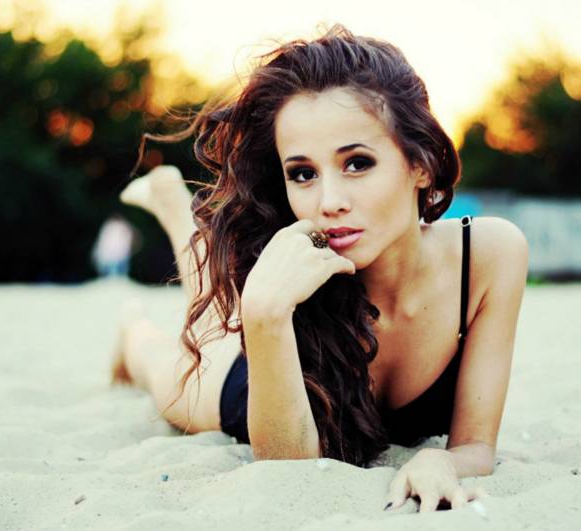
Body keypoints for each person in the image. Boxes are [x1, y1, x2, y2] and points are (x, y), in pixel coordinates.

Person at [112, 25, 528, 513]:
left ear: (420, 165)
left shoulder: (490, 256)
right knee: (170, 366)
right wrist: (264, 314)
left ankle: (173, 207)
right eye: (303, 173)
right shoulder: (292, 260)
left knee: (216, 311)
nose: (329, 202)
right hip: (266, 382)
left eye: (357, 164)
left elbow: (475, 446)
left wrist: (440, 461)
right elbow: (290, 471)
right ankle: (131, 329)